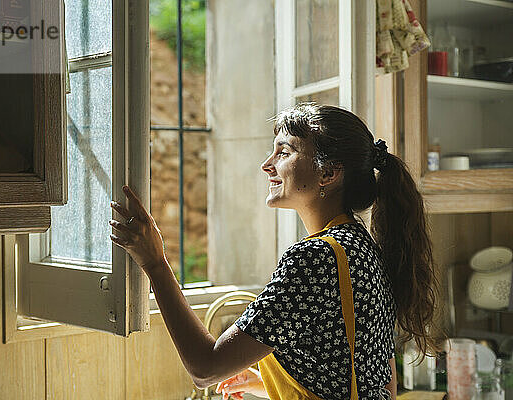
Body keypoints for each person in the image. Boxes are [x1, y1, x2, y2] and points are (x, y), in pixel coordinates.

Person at [109, 103, 443, 399]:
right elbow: (376, 381)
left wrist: (155, 263)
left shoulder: (315, 258)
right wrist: (265, 384)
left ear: (328, 172)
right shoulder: (363, 247)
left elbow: (205, 369)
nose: (266, 165)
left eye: (283, 152)